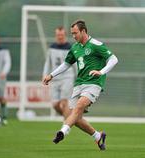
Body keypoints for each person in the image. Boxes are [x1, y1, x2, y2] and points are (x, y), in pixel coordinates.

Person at [43, 20, 118, 150]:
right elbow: (66, 64)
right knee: (76, 118)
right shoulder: (75, 47)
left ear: (83, 31)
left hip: (94, 83)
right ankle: (97, 136)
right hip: (79, 84)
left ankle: (63, 131)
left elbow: (113, 59)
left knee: (79, 105)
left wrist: (101, 72)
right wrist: (51, 75)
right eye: (72, 34)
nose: (73, 36)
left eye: (75, 33)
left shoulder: (95, 44)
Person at [43, 26, 75, 118]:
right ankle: (70, 119)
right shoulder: (52, 47)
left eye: (61, 35)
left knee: (64, 102)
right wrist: (45, 74)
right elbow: (47, 62)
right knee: (55, 104)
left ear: (65, 35)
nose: (59, 36)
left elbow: (75, 65)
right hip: (55, 78)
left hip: (67, 78)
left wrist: (78, 77)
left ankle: (65, 127)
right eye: (58, 35)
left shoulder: (70, 48)